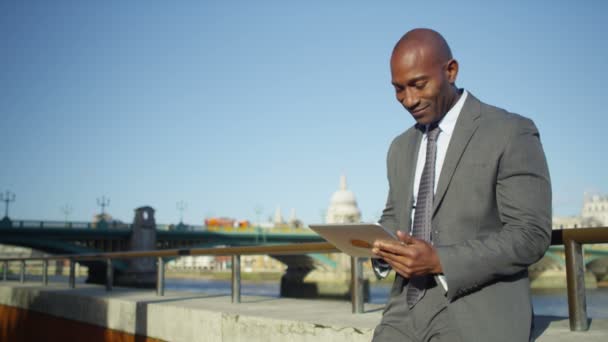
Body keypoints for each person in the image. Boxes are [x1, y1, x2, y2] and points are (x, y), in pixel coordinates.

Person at [371, 28, 552, 342]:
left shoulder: (511, 132)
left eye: (418, 84)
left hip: (477, 311)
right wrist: (379, 246)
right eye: (398, 89)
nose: (408, 100)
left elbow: (531, 234)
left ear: (450, 70)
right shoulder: (399, 147)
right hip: (404, 309)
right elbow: (395, 217)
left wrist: (441, 261)